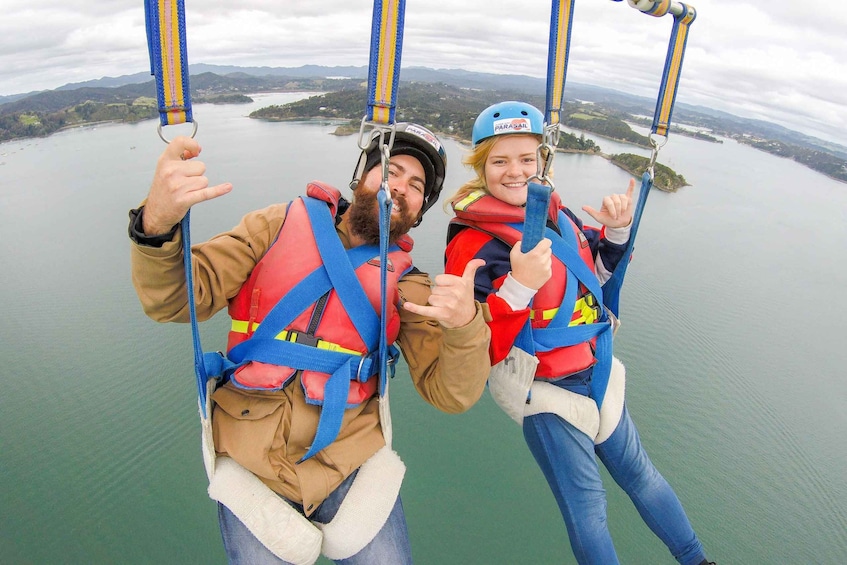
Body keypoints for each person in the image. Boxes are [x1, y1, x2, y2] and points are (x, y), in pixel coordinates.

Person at [128, 122, 491, 565]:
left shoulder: (408, 286)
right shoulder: (277, 225)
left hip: (348, 456)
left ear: (419, 212)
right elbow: (175, 299)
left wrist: (466, 324)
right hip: (249, 449)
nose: (399, 188)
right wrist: (157, 225)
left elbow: (450, 394)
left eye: (416, 186)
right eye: (391, 171)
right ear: (362, 176)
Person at [444, 101, 714, 565]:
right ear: (481, 166)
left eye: (527, 159)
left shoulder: (561, 219)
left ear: (542, 162)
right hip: (545, 391)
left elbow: (597, 278)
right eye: (500, 161)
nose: (515, 172)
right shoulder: (472, 243)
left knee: (643, 477)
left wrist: (616, 231)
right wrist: (519, 283)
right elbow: (477, 345)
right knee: (589, 512)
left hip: (597, 372)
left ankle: (697, 560)